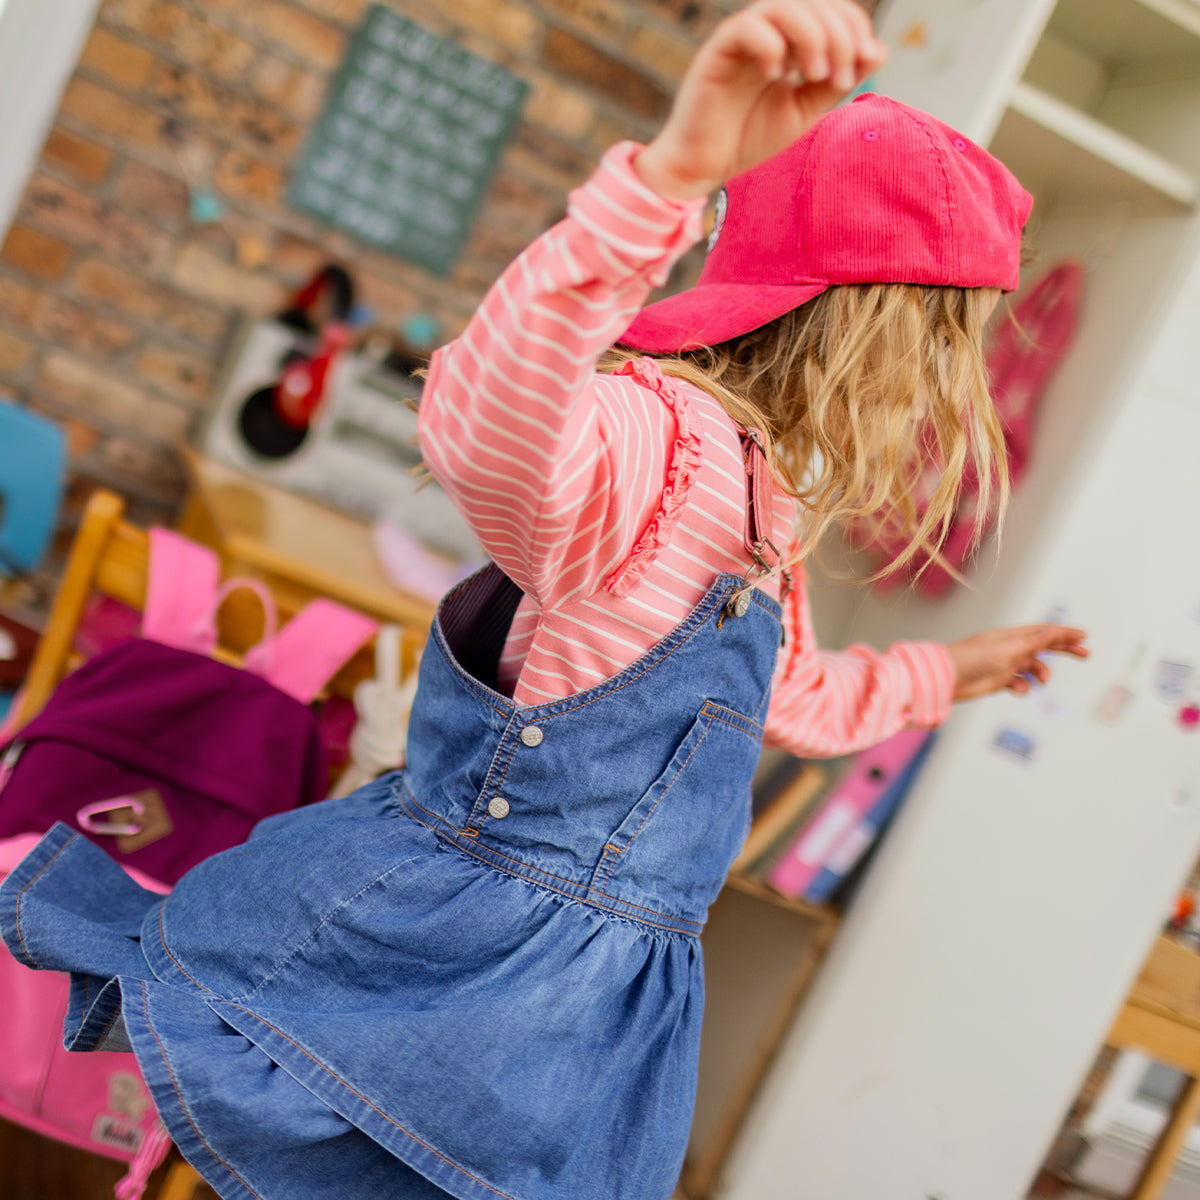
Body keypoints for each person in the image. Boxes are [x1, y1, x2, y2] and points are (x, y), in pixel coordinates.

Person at [0, 3, 1088, 1199]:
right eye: (947, 346)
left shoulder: (767, 512)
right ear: (865, 321)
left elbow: (803, 701)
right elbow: (481, 417)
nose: (950, 392)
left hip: (586, 1019)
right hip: (444, 958)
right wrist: (667, 179)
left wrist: (956, 670)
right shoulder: (656, 444)